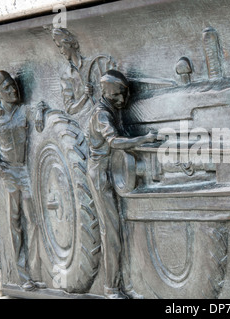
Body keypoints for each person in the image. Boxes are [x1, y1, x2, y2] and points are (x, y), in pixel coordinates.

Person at [87, 69, 157, 299]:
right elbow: (116, 142)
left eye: (125, 94)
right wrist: (144, 139)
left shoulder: (112, 110)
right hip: (102, 175)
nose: (123, 100)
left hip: (116, 170)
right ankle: (111, 289)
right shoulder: (101, 115)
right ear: (105, 92)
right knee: (112, 233)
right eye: (118, 95)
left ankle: (125, 284)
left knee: (122, 230)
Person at [0, 71, 47, 291]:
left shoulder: (25, 111)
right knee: (14, 225)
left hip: (27, 172)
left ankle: (38, 272)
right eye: (8, 89)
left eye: (14, 85)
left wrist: (40, 112)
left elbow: (39, 110)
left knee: (34, 221)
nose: (14, 90)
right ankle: (23, 277)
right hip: (8, 174)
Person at [52, 28, 93, 116]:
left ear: (68, 44)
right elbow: (69, 109)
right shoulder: (66, 76)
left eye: (61, 46)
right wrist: (85, 97)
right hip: (84, 118)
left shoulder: (91, 64)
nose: (61, 52)